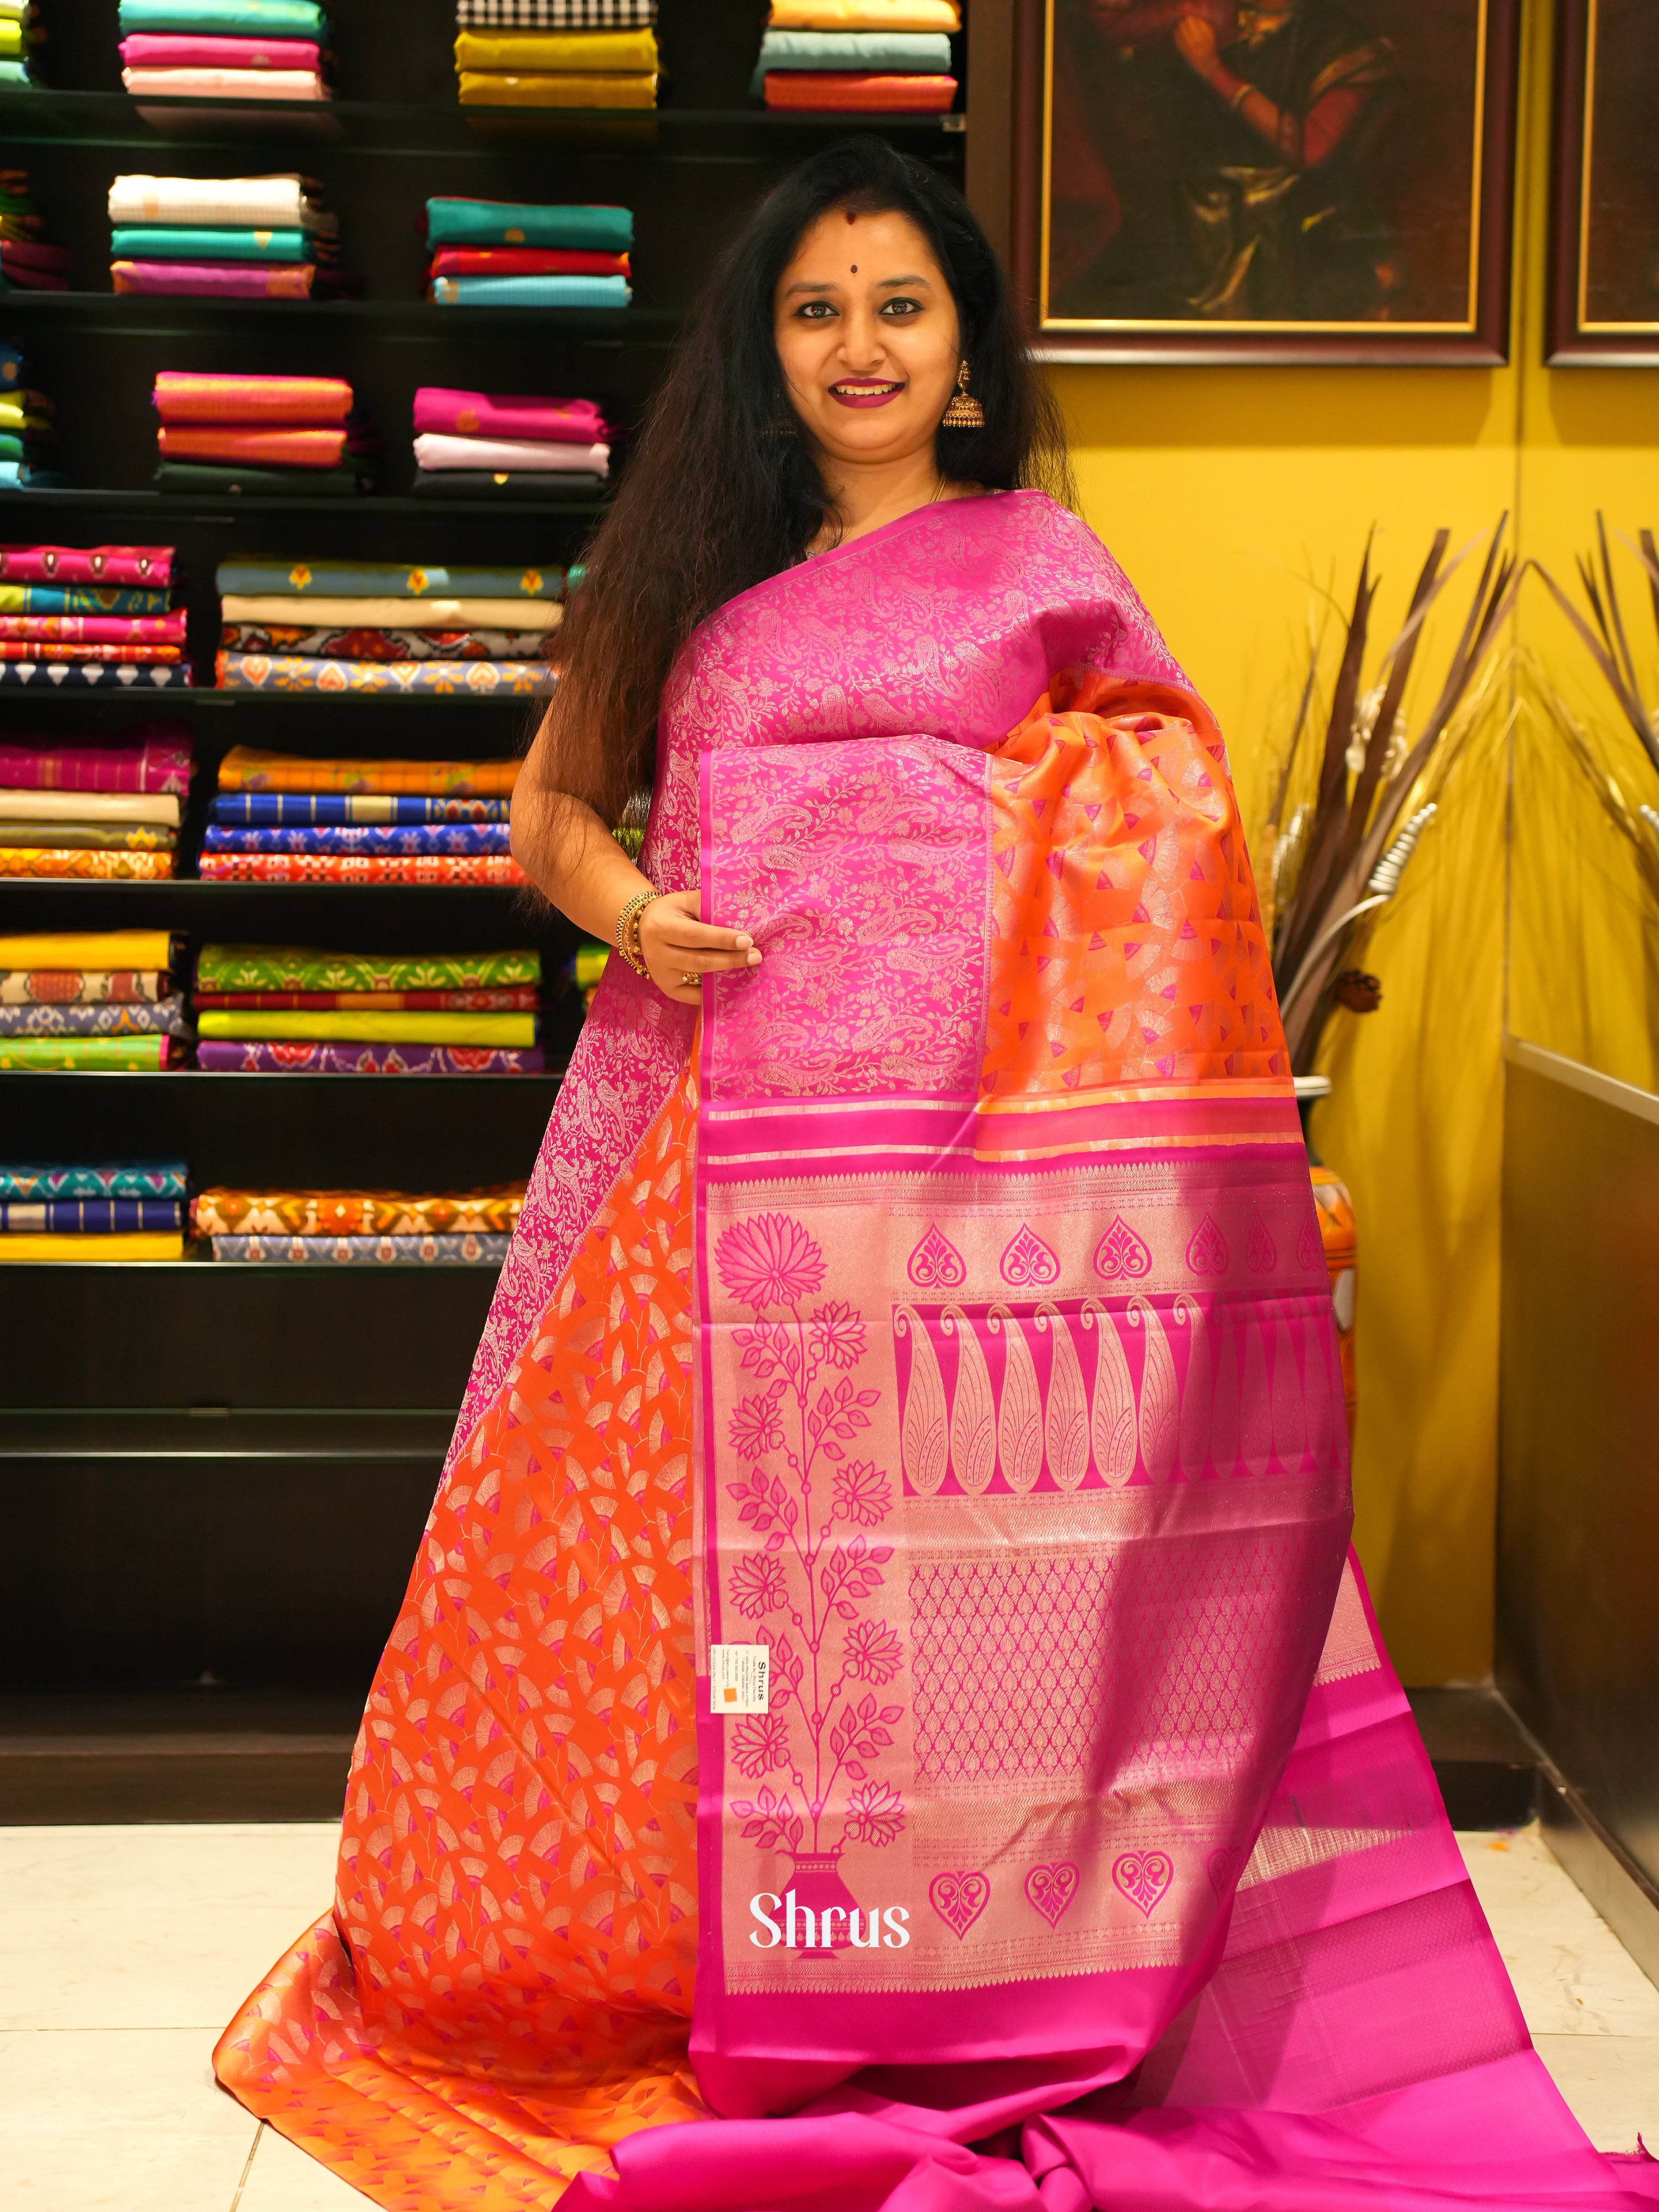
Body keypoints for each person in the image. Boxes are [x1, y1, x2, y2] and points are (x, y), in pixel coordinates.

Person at [215, 140, 1658, 2212]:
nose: (862, 344)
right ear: (766, 352)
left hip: (965, 1202)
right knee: (666, 1611)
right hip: (701, 1165)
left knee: (934, 1618)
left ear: (966, 350)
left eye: (901, 305)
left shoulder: (1043, 565)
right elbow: (548, 816)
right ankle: (668, 1962)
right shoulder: (691, 570)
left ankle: (929, 1978)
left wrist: (981, 826)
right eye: (818, 310)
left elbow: (1167, 816)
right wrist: (645, 918)